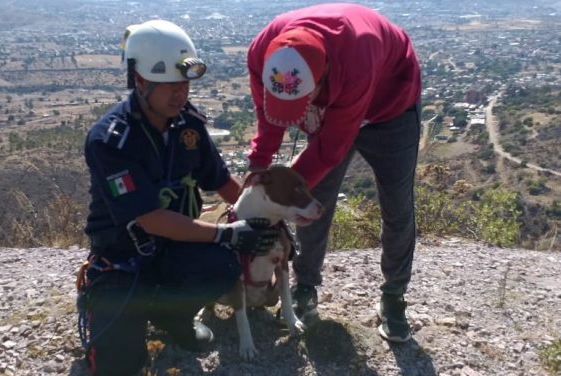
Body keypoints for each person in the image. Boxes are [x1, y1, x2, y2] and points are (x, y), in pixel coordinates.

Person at [80, 20, 278, 375]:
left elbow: (221, 181)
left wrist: (261, 218)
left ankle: (172, 314)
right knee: (119, 367)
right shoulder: (110, 140)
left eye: (184, 83)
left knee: (224, 265)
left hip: (175, 250)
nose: (181, 93)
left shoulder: (187, 126)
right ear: (140, 81)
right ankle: (122, 314)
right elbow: (150, 218)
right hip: (124, 258)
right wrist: (225, 232)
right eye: (170, 85)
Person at [246, 3, 422, 343]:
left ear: (323, 73)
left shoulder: (357, 55)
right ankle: (305, 288)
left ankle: (394, 296)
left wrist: (277, 202)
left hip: (391, 109)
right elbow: (268, 120)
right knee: (315, 199)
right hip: (335, 104)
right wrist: (257, 171)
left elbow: (330, 150)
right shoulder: (261, 52)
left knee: (396, 205)